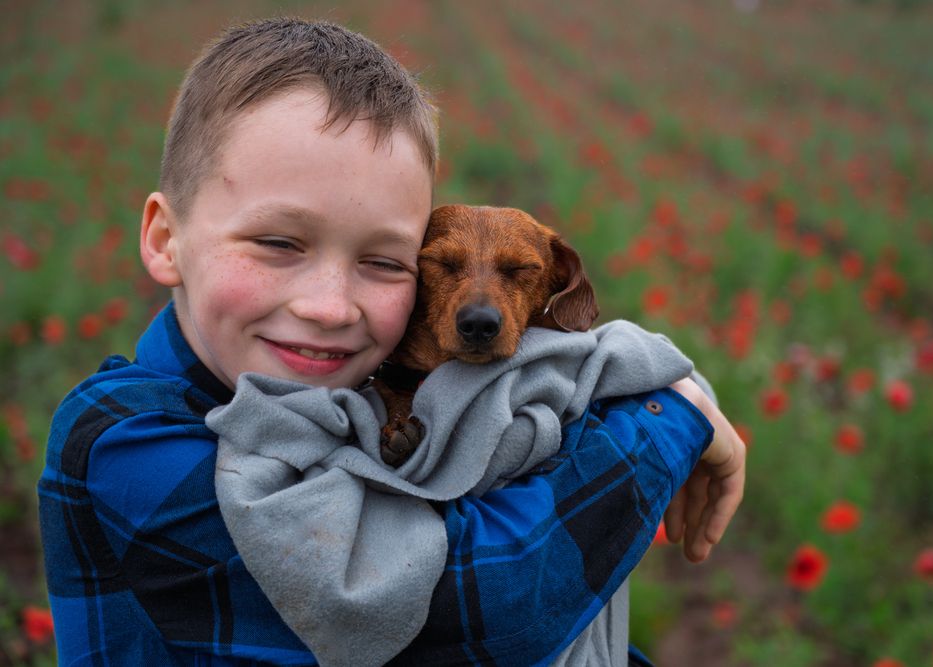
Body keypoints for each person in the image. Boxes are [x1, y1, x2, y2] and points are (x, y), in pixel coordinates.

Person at [37, 17, 745, 666]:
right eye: (278, 242)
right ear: (167, 239)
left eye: (383, 261)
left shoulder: (369, 405)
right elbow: (475, 609)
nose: (328, 307)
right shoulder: (127, 442)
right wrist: (671, 417)